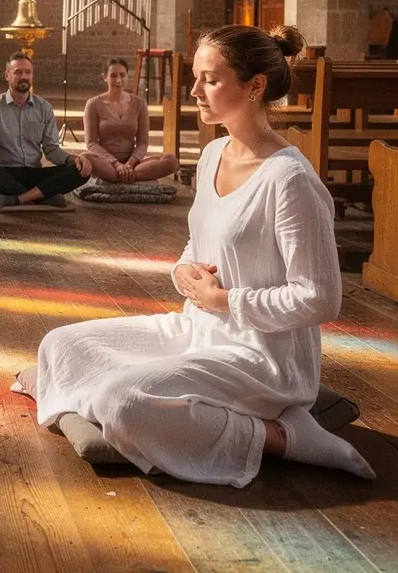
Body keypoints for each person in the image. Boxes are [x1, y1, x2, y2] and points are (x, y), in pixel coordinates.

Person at [23, 25, 375, 486]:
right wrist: (184, 273)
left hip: (262, 357)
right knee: (60, 346)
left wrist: (224, 301)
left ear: (254, 86)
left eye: (209, 79)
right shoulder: (211, 155)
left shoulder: (290, 180)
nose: (193, 91)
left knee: (122, 402)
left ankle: (285, 436)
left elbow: (321, 299)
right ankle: (153, 401)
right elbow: (196, 247)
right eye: (195, 77)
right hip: (199, 328)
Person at [0, 52, 92, 211]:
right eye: (18, 72)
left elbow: (51, 150)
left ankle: (18, 199)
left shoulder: (44, 108)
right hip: (5, 173)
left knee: (81, 171)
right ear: (7, 75)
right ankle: (43, 196)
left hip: (34, 172)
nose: (24, 76)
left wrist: (73, 159)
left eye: (28, 72)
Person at [82, 57, 179, 184]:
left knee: (171, 161)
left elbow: (143, 142)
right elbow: (91, 143)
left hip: (133, 163)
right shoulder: (93, 104)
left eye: (122, 75)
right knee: (85, 157)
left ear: (127, 76)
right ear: (105, 77)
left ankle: (120, 176)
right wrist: (116, 164)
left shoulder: (140, 103)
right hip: (105, 162)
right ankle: (126, 175)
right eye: (113, 76)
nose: (118, 80)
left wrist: (130, 164)